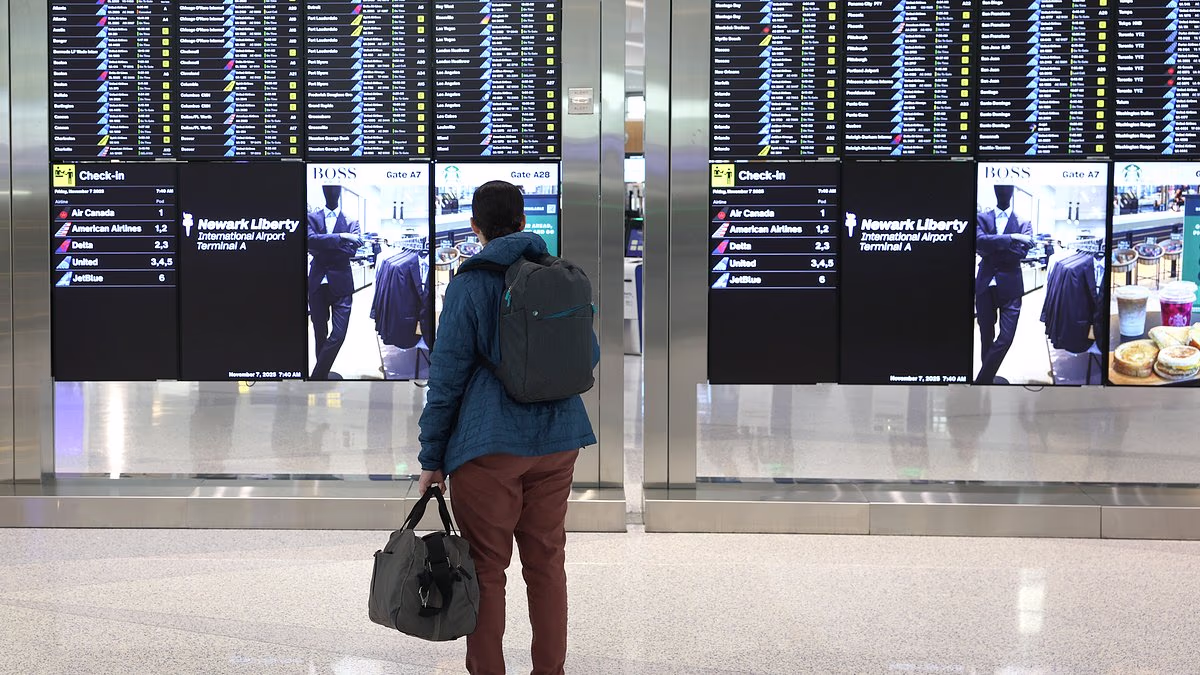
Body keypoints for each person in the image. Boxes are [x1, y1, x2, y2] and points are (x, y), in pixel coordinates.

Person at [417, 180, 598, 675]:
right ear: (523, 222)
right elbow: (589, 354)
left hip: (488, 448)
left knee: (485, 569)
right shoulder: (560, 275)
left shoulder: (470, 283)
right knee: (547, 563)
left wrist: (432, 456)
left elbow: (447, 376)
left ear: (475, 227)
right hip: (559, 441)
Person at [975, 184, 1034, 385]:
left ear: (1012, 192)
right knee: (985, 334)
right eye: (999, 188)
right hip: (985, 285)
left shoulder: (1024, 222)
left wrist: (990, 247)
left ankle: (982, 380)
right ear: (995, 191)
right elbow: (978, 242)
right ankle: (988, 379)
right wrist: (1013, 237)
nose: (1003, 191)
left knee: (1006, 337)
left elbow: (1021, 252)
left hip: (1011, 286)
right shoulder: (981, 218)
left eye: (1006, 188)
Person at [307, 185, 362, 380]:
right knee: (319, 332)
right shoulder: (311, 218)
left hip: (342, 284)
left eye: (334, 189)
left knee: (339, 334)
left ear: (339, 192)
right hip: (317, 283)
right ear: (323, 192)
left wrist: (322, 245)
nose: (331, 192)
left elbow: (351, 251)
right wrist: (342, 237)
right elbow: (309, 241)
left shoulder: (352, 221)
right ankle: (322, 376)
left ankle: (317, 376)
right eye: (328, 189)